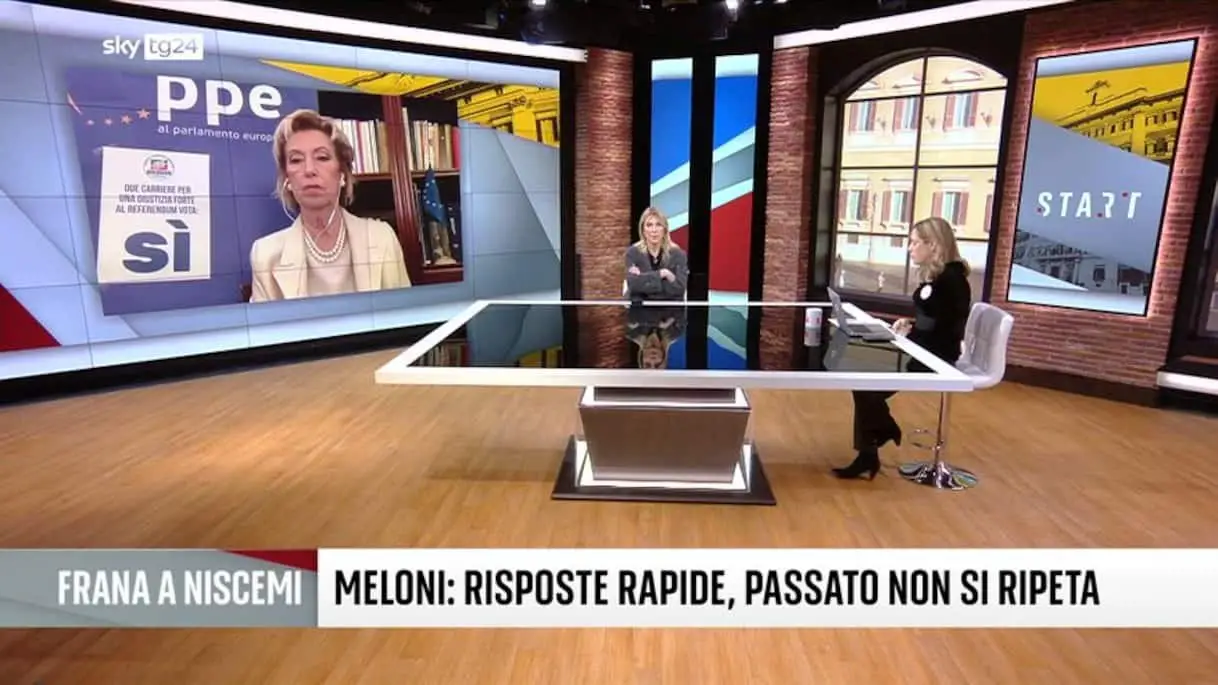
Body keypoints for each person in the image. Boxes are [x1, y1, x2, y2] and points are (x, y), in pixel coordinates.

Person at [832, 216, 972, 481]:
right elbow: (937, 320)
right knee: (862, 381)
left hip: (934, 359)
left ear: (933, 245)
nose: (910, 248)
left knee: (865, 384)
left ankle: (880, 437)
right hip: (920, 349)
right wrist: (911, 324)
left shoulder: (952, 281)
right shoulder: (942, 277)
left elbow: (947, 328)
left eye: (915, 243)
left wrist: (913, 333)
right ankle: (872, 448)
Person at [249, 109, 410, 302]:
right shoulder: (265, 255)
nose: (309, 170)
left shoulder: (382, 238)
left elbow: (403, 312)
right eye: (296, 160)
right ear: (287, 179)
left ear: (342, 174)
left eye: (322, 157)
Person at [624, 207, 688, 301]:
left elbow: (680, 289)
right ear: (643, 230)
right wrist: (663, 274)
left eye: (658, 225)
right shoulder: (633, 253)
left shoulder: (678, 254)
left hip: (669, 309)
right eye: (649, 225)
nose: (654, 230)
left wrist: (644, 280)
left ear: (665, 229)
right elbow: (633, 285)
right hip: (641, 308)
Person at [626, 304, 687, 369]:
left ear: (641, 358)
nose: (653, 360)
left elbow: (631, 310)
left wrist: (668, 319)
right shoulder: (676, 333)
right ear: (664, 358)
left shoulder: (630, 333)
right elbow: (682, 308)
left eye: (647, 364)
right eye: (657, 364)